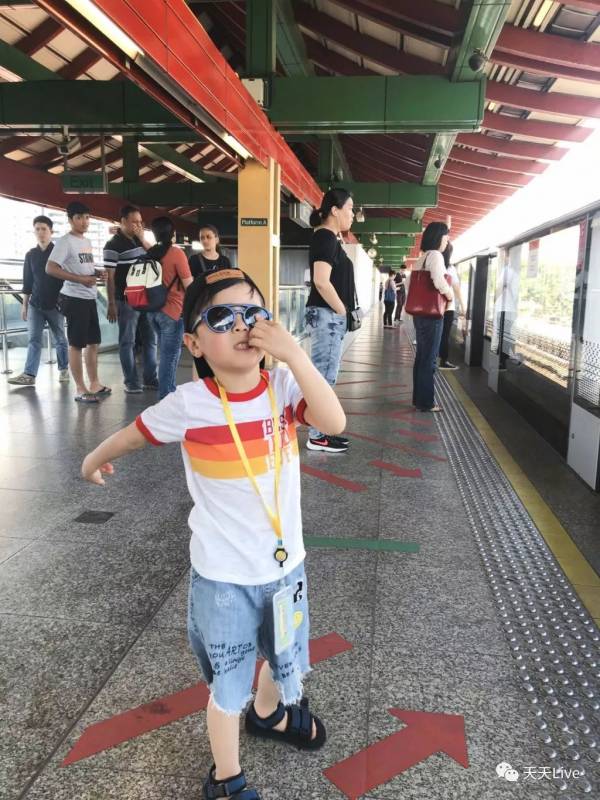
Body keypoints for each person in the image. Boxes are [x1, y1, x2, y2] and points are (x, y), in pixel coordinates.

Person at [81, 268, 346, 800]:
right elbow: (134, 436)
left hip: (286, 564)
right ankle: (226, 776)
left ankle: (268, 714)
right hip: (223, 578)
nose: (243, 325)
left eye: (255, 312)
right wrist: (94, 457)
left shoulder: (284, 387)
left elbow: (334, 422)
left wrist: (295, 355)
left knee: (284, 651)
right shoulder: (191, 403)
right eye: (223, 316)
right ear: (194, 343)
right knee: (229, 680)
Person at [305, 187, 355, 453]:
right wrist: (341, 310)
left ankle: (320, 430)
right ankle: (316, 435)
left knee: (325, 375)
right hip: (327, 315)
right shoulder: (325, 237)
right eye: (350, 209)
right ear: (334, 210)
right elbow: (321, 281)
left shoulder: (330, 238)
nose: (353, 215)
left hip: (328, 315)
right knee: (323, 377)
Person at [46, 201, 110, 403]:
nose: (84, 221)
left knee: (93, 342)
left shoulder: (86, 241)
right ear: (70, 220)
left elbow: (82, 266)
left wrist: (96, 273)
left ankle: (94, 383)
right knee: (76, 344)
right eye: (79, 217)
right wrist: (80, 279)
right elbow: (50, 268)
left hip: (89, 298)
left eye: (87, 217)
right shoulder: (65, 242)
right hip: (74, 299)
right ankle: (80, 389)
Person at [8, 216, 69, 387]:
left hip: (56, 305)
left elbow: (67, 278)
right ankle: (29, 374)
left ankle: (64, 369)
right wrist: (24, 305)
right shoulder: (30, 255)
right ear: (34, 232)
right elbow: (27, 282)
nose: (41, 232)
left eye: (44, 229)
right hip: (35, 304)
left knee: (60, 339)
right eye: (37, 229)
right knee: (34, 339)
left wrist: (64, 301)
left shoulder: (59, 253)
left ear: (51, 232)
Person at [103, 205, 158, 394]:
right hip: (126, 300)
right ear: (123, 221)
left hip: (146, 299)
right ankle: (131, 382)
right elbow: (109, 277)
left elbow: (156, 257)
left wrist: (142, 238)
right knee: (127, 342)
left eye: (140, 222)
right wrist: (111, 303)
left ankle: (151, 379)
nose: (138, 225)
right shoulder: (112, 245)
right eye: (134, 222)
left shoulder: (140, 241)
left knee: (151, 340)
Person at [145, 217, 193, 399]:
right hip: (172, 311)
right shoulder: (176, 253)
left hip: (152, 311)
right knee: (170, 355)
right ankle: (166, 396)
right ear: (172, 234)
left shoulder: (151, 253)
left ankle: (166, 391)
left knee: (165, 352)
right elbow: (189, 285)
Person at [411, 221, 453, 413]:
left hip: (420, 314)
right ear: (438, 237)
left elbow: (410, 283)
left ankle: (419, 399)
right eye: (446, 236)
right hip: (432, 314)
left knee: (422, 357)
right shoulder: (435, 255)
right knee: (429, 359)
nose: (447, 241)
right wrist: (449, 295)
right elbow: (438, 280)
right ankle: (426, 402)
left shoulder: (422, 257)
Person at [438, 242, 466, 370]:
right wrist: (463, 306)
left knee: (435, 334)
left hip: (433, 307)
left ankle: (433, 358)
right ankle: (443, 361)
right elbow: (457, 289)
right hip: (447, 307)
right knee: (444, 335)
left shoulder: (434, 265)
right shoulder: (450, 269)